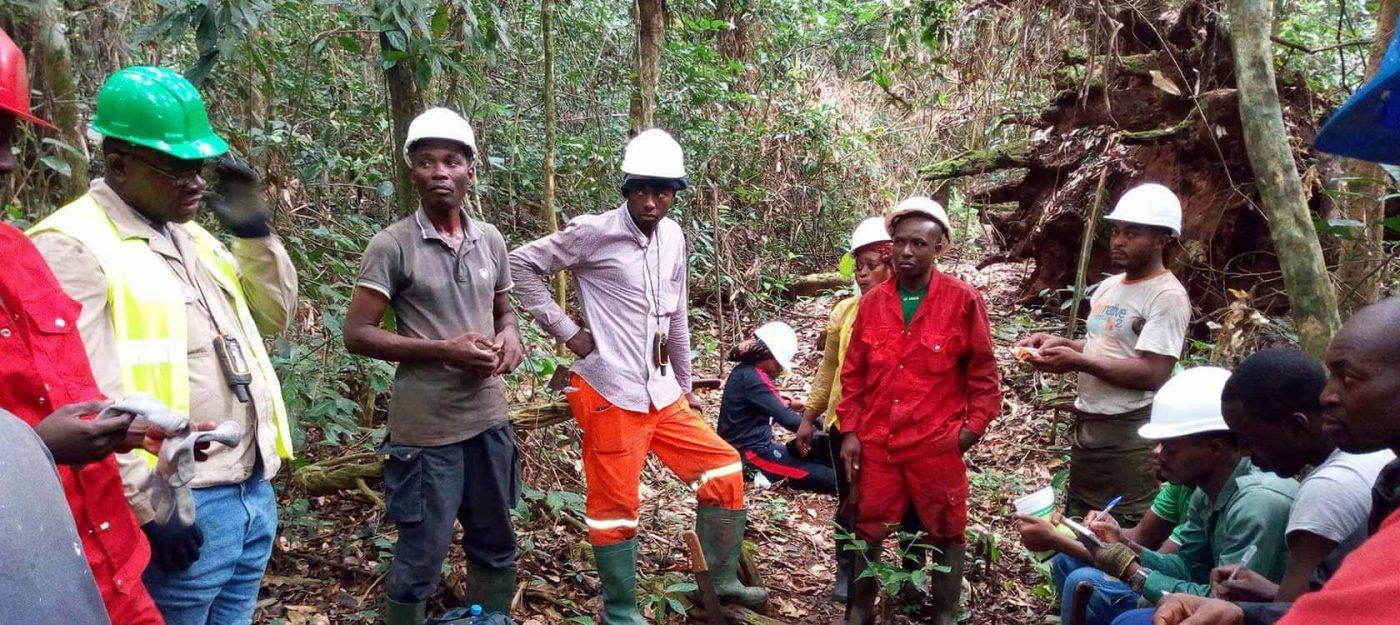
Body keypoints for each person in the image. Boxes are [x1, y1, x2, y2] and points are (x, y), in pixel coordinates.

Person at [29, 66, 298, 624]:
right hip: (179, 501)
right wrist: (150, 508)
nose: (195, 182)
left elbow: (273, 317)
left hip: (248, 487)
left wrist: (254, 233)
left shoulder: (191, 234)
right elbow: (84, 395)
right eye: (175, 168)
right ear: (119, 163)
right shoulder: (72, 245)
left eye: (198, 167)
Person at [510, 129, 765, 622]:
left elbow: (678, 318)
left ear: (675, 193)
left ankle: (721, 579)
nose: (651, 202)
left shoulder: (673, 237)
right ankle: (621, 611)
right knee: (616, 506)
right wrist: (570, 333)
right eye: (641, 190)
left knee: (724, 467)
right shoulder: (593, 232)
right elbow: (521, 265)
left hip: (660, 389)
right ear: (626, 189)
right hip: (609, 387)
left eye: (663, 192)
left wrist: (687, 388)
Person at [343, 108, 524, 625]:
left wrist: (510, 338)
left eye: (451, 161)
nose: (439, 172)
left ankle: (492, 618)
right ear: (412, 172)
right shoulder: (392, 245)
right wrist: (445, 350)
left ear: (471, 168)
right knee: (422, 551)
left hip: (488, 419)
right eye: (426, 162)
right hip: (425, 431)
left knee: (494, 538)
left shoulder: (489, 239)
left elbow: (504, 310)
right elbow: (358, 333)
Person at [0, 28, 152, 624]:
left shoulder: (18, 251)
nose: (8, 161)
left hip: (112, 574)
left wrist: (116, 430)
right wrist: (36, 451)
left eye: (10, 138)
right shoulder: (66, 239)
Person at [1147, 299, 1400, 625]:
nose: (1326, 396)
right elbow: (1338, 601)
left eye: (1347, 377)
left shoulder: (1324, 489)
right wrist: (1250, 606)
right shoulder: (1387, 474)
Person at [836, 196, 1002, 625]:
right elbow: (853, 373)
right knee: (867, 527)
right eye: (900, 243)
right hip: (878, 441)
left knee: (948, 530)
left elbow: (983, 375)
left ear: (939, 248)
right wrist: (851, 431)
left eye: (919, 244)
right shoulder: (873, 303)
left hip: (936, 443)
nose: (907, 252)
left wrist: (970, 431)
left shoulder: (963, 301)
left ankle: (944, 614)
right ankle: (859, 611)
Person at [1048, 367, 1297, 625]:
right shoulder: (1206, 490)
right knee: (1082, 579)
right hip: (1209, 600)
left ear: (1214, 448)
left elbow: (1227, 605)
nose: (1158, 453)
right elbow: (1190, 568)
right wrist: (1126, 546)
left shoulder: (1258, 505)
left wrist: (1133, 571)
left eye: (1170, 446)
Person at [1017, 183, 1191, 522]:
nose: (1119, 241)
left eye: (1133, 233)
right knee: (1083, 520)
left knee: (1123, 523)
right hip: (1089, 428)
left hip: (1129, 432)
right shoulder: (1110, 287)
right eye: (1117, 232)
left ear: (1161, 239)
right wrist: (1061, 344)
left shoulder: (1166, 296)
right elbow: (1103, 347)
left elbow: (1153, 372)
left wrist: (1078, 361)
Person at [794, 216, 917, 603]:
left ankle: (909, 577)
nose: (863, 275)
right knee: (849, 501)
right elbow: (829, 368)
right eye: (858, 267)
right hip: (843, 424)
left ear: (891, 263)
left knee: (910, 504)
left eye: (871, 266)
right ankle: (848, 573)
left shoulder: (911, 309)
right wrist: (809, 417)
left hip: (897, 427)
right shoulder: (845, 311)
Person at [1213, 348, 1392, 602]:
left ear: (1297, 426)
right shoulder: (1375, 453)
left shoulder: (1325, 490)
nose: (1242, 452)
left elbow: (1295, 618)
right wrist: (1273, 592)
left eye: (1249, 440)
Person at [718, 321, 836, 494]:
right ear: (766, 355)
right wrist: (819, 426)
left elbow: (773, 403)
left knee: (821, 461)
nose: (778, 371)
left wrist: (816, 421)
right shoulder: (753, 377)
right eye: (778, 366)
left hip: (759, 449)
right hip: (750, 457)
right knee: (831, 479)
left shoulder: (747, 372)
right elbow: (788, 419)